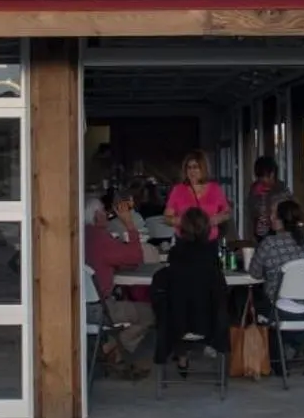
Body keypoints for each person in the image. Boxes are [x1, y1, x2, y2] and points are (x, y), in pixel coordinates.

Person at [152, 205, 229, 375]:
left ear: (183, 228)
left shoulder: (175, 253)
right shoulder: (211, 255)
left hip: (177, 324)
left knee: (177, 304)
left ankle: (181, 356)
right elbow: (220, 291)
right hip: (208, 323)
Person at [84, 188, 151, 364]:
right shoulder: (101, 239)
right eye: (104, 212)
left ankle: (111, 349)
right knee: (151, 312)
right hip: (100, 310)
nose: (107, 215)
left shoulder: (77, 236)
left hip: (73, 308)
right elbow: (135, 258)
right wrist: (129, 224)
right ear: (97, 215)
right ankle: (115, 345)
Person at [163, 151, 232, 241]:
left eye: (196, 167)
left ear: (203, 169)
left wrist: (216, 219)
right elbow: (167, 218)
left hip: (210, 241)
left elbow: (227, 212)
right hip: (185, 240)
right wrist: (184, 222)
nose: (192, 171)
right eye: (189, 168)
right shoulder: (178, 190)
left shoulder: (215, 189)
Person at [249, 155, 292, 238]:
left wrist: (269, 215)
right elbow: (251, 209)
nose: (260, 180)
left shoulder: (282, 190)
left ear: (272, 174)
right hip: (260, 234)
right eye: (258, 177)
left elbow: (287, 212)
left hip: (279, 234)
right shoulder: (255, 188)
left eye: (262, 176)